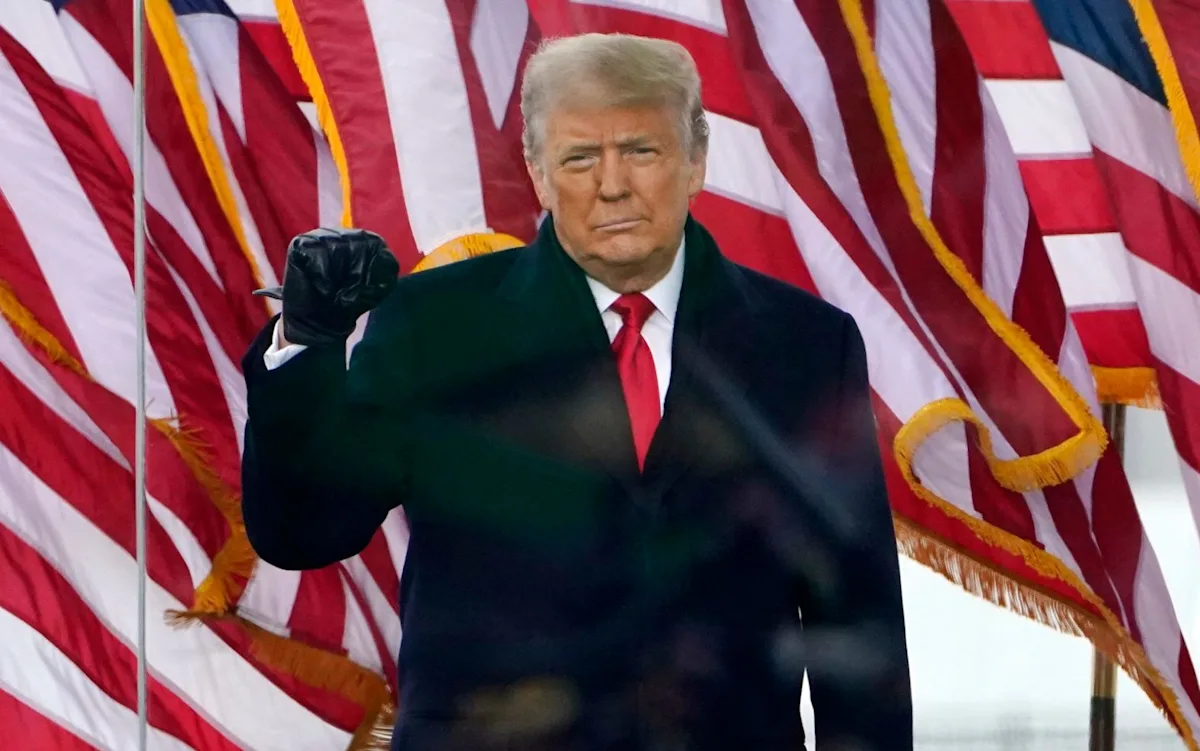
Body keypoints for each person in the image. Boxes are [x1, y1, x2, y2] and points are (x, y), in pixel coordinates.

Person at [241, 32, 911, 751]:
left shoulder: (805, 342)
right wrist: (309, 341)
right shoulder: (434, 327)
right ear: (537, 171)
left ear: (696, 160)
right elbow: (303, 530)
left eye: (641, 151)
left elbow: (853, 617)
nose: (612, 184)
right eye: (580, 157)